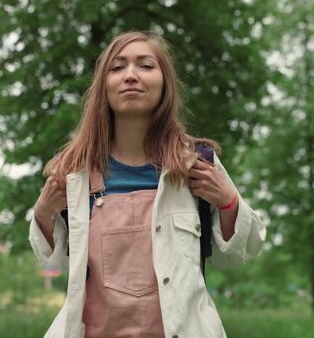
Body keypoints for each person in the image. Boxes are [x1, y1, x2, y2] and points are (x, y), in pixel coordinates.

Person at [29, 31, 266, 338]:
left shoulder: (195, 162)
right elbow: (56, 262)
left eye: (145, 65)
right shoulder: (74, 171)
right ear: (104, 86)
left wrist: (228, 202)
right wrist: (43, 213)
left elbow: (239, 254)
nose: (130, 76)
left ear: (165, 82)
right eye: (117, 68)